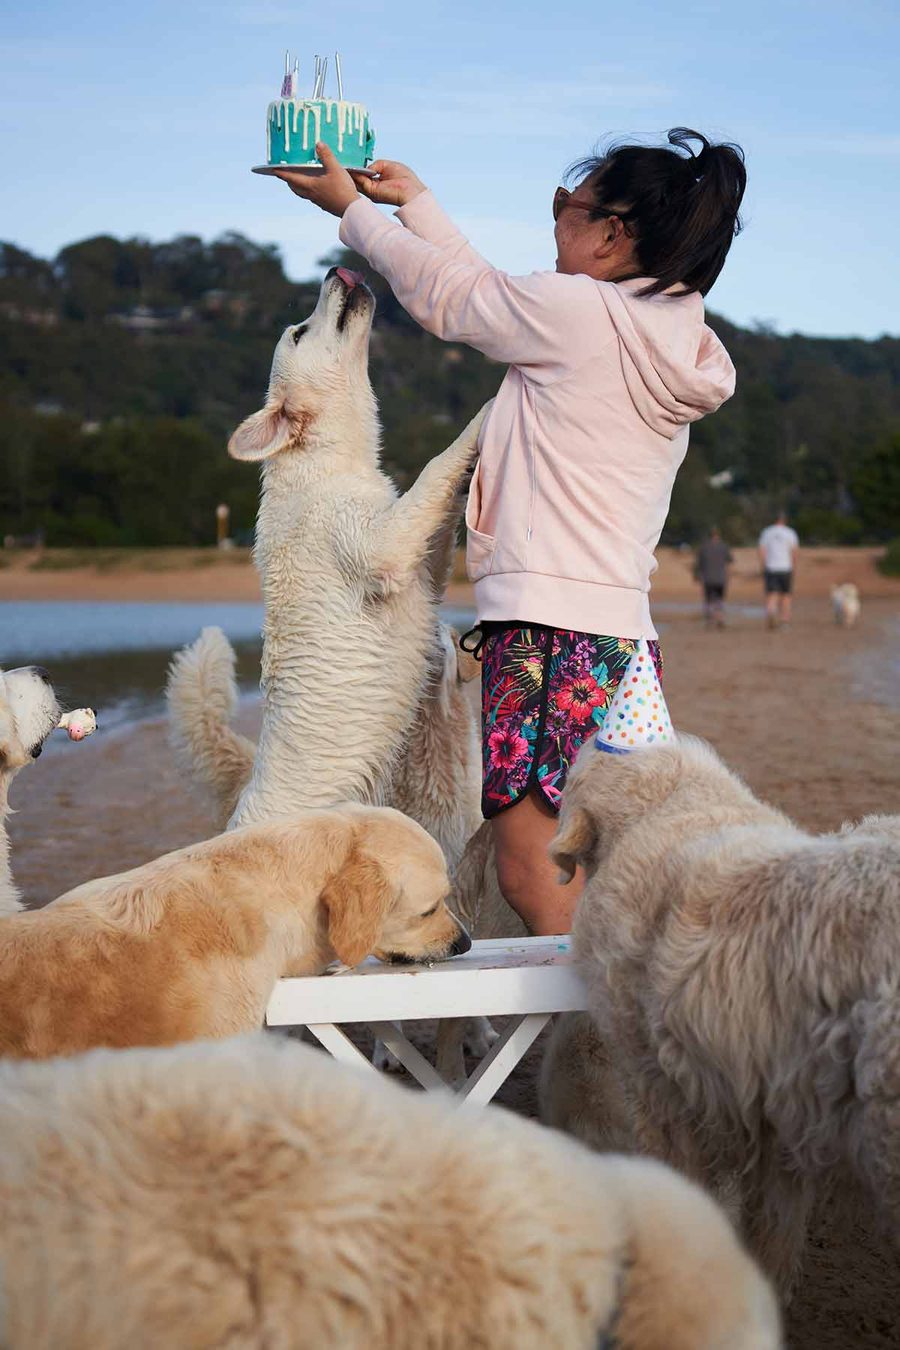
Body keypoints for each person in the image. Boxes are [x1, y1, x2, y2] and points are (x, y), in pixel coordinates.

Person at [273, 126, 747, 936]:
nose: (556, 220)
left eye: (570, 205)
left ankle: (608, 1039)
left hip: (543, 632)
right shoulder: (678, 338)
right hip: (621, 641)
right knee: (631, 851)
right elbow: (485, 289)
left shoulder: (579, 313)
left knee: (532, 872)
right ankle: (643, 1018)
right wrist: (416, 205)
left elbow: (458, 301)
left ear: (611, 234)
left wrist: (353, 212)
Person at [758, 511, 799, 629]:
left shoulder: (767, 532)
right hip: (785, 567)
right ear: (784, 520)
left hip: (771, 567)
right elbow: (794, 552)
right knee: (786, 596)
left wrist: (763, 565)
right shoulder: (790, 533)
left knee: (771, 594)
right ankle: (784, 621)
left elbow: (761, 550)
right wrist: (794, 567)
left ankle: (770, 612)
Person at [695, 526, 733, 626]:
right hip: (721, 577)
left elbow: (699, 564)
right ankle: (720, 618)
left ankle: (710, 619)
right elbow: (728, 563)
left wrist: (698, 576)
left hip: (708, 578)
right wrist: (728, 576)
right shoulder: (724, 546)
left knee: (709, 599)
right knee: (719, 599)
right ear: (718, 535)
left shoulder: (703, 547)